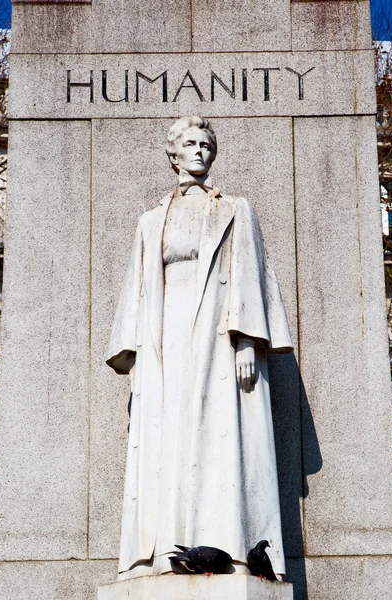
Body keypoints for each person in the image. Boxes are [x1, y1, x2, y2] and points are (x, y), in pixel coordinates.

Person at [106, 115, 293, 580]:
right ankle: (164, 551)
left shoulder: (236, 208)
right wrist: (132, 352)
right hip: (165, 336)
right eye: (189, 144)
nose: (199, 151)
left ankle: (226, 543)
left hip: (217, 335)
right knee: (167, 441)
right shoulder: (151, 221)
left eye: (206, 144)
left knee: (218, 436)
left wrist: (249, 339)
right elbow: (139, 286)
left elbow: (252, 274)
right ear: (173, 154)